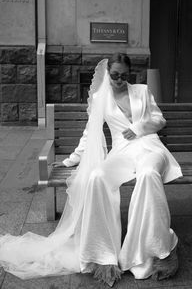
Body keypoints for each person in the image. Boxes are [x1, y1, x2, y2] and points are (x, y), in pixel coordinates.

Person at [0, 53, 182, 287]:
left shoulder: (142, 91)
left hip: (150, 148)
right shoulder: (100, 97)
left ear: (130, 74)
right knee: (97, 176)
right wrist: (70, 160)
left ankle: (157, 250)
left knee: (148, 175)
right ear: (108, 73)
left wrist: (139, 127)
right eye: (115, 75)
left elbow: (159, 119)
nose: (119, 80)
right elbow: (90, 133)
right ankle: (102, 255)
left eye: (124, 76)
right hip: (122, 152)